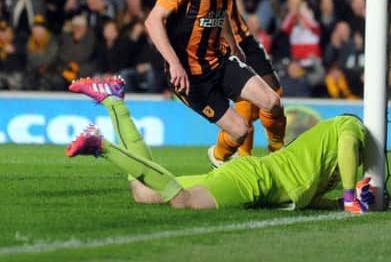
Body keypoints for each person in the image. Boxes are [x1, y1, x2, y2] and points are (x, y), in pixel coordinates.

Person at [67, 76, 373, 214]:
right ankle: (101, 145)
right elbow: (349, 140)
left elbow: (311, 199)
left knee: (143, 192)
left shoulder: (322, 164)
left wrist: (337, 203)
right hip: (254, 181)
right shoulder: (347, 125)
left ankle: (113, 100)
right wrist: (349, 196)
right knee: (182, 201)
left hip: (250, 174)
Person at [145, 0, 285, 167]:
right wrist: (174, 64)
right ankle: (218, 157)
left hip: (219, 61)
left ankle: (279, 154)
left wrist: (234, 45)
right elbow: (152, 21)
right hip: (191, 76)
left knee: (273, 102)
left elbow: (220, 14)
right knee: (240, 131)